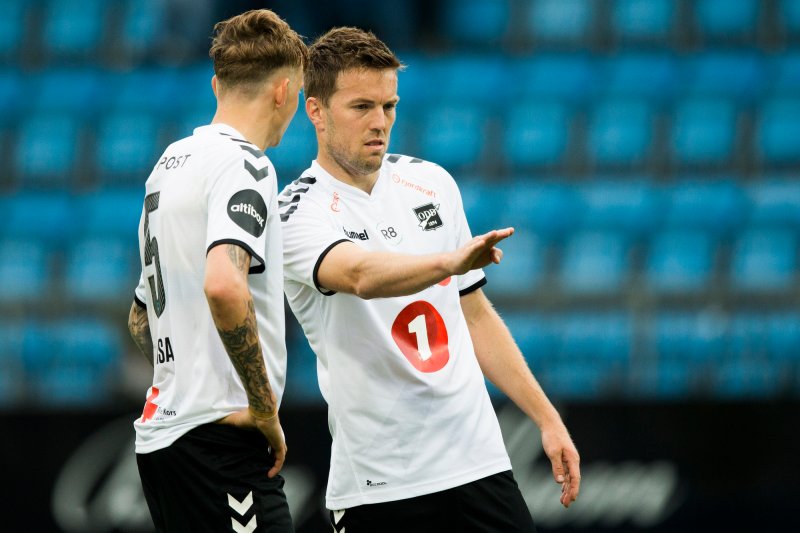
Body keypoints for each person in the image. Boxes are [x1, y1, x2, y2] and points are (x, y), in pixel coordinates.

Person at [279, 27, 581, 533]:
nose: (380, 123)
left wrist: (547, 419)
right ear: (316, 110)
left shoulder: (431, 183)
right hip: (382, 482)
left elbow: (475, 315)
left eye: (389, 106)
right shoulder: (297, 210)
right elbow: (358, 274)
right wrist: (447, 264)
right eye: (361, 107)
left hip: (477, 461)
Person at [126, 9, 306, 533]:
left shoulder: (168, 166)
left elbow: (141, 317)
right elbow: (225, 286)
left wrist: (187, 373)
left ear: (215, 84)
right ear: (284, 91)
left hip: (164, 439)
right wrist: (263, 406)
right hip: (220, 441)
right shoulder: (245, 165)